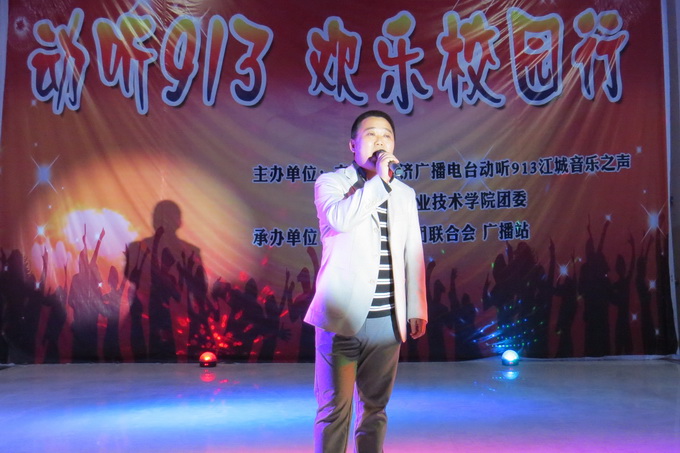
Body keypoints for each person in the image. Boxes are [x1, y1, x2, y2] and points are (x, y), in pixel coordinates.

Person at [304, 110, 428, 452]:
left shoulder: (404, 193)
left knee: (375, 410)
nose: (380, 141)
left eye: (387, 135)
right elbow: (341, 220)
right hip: (340, 318)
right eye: (371, 134)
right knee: (334, 410)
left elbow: (412, 251)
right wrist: (380, 182)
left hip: (387, 321)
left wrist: (416, 307)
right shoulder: (331, 183)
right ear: (353, 145)